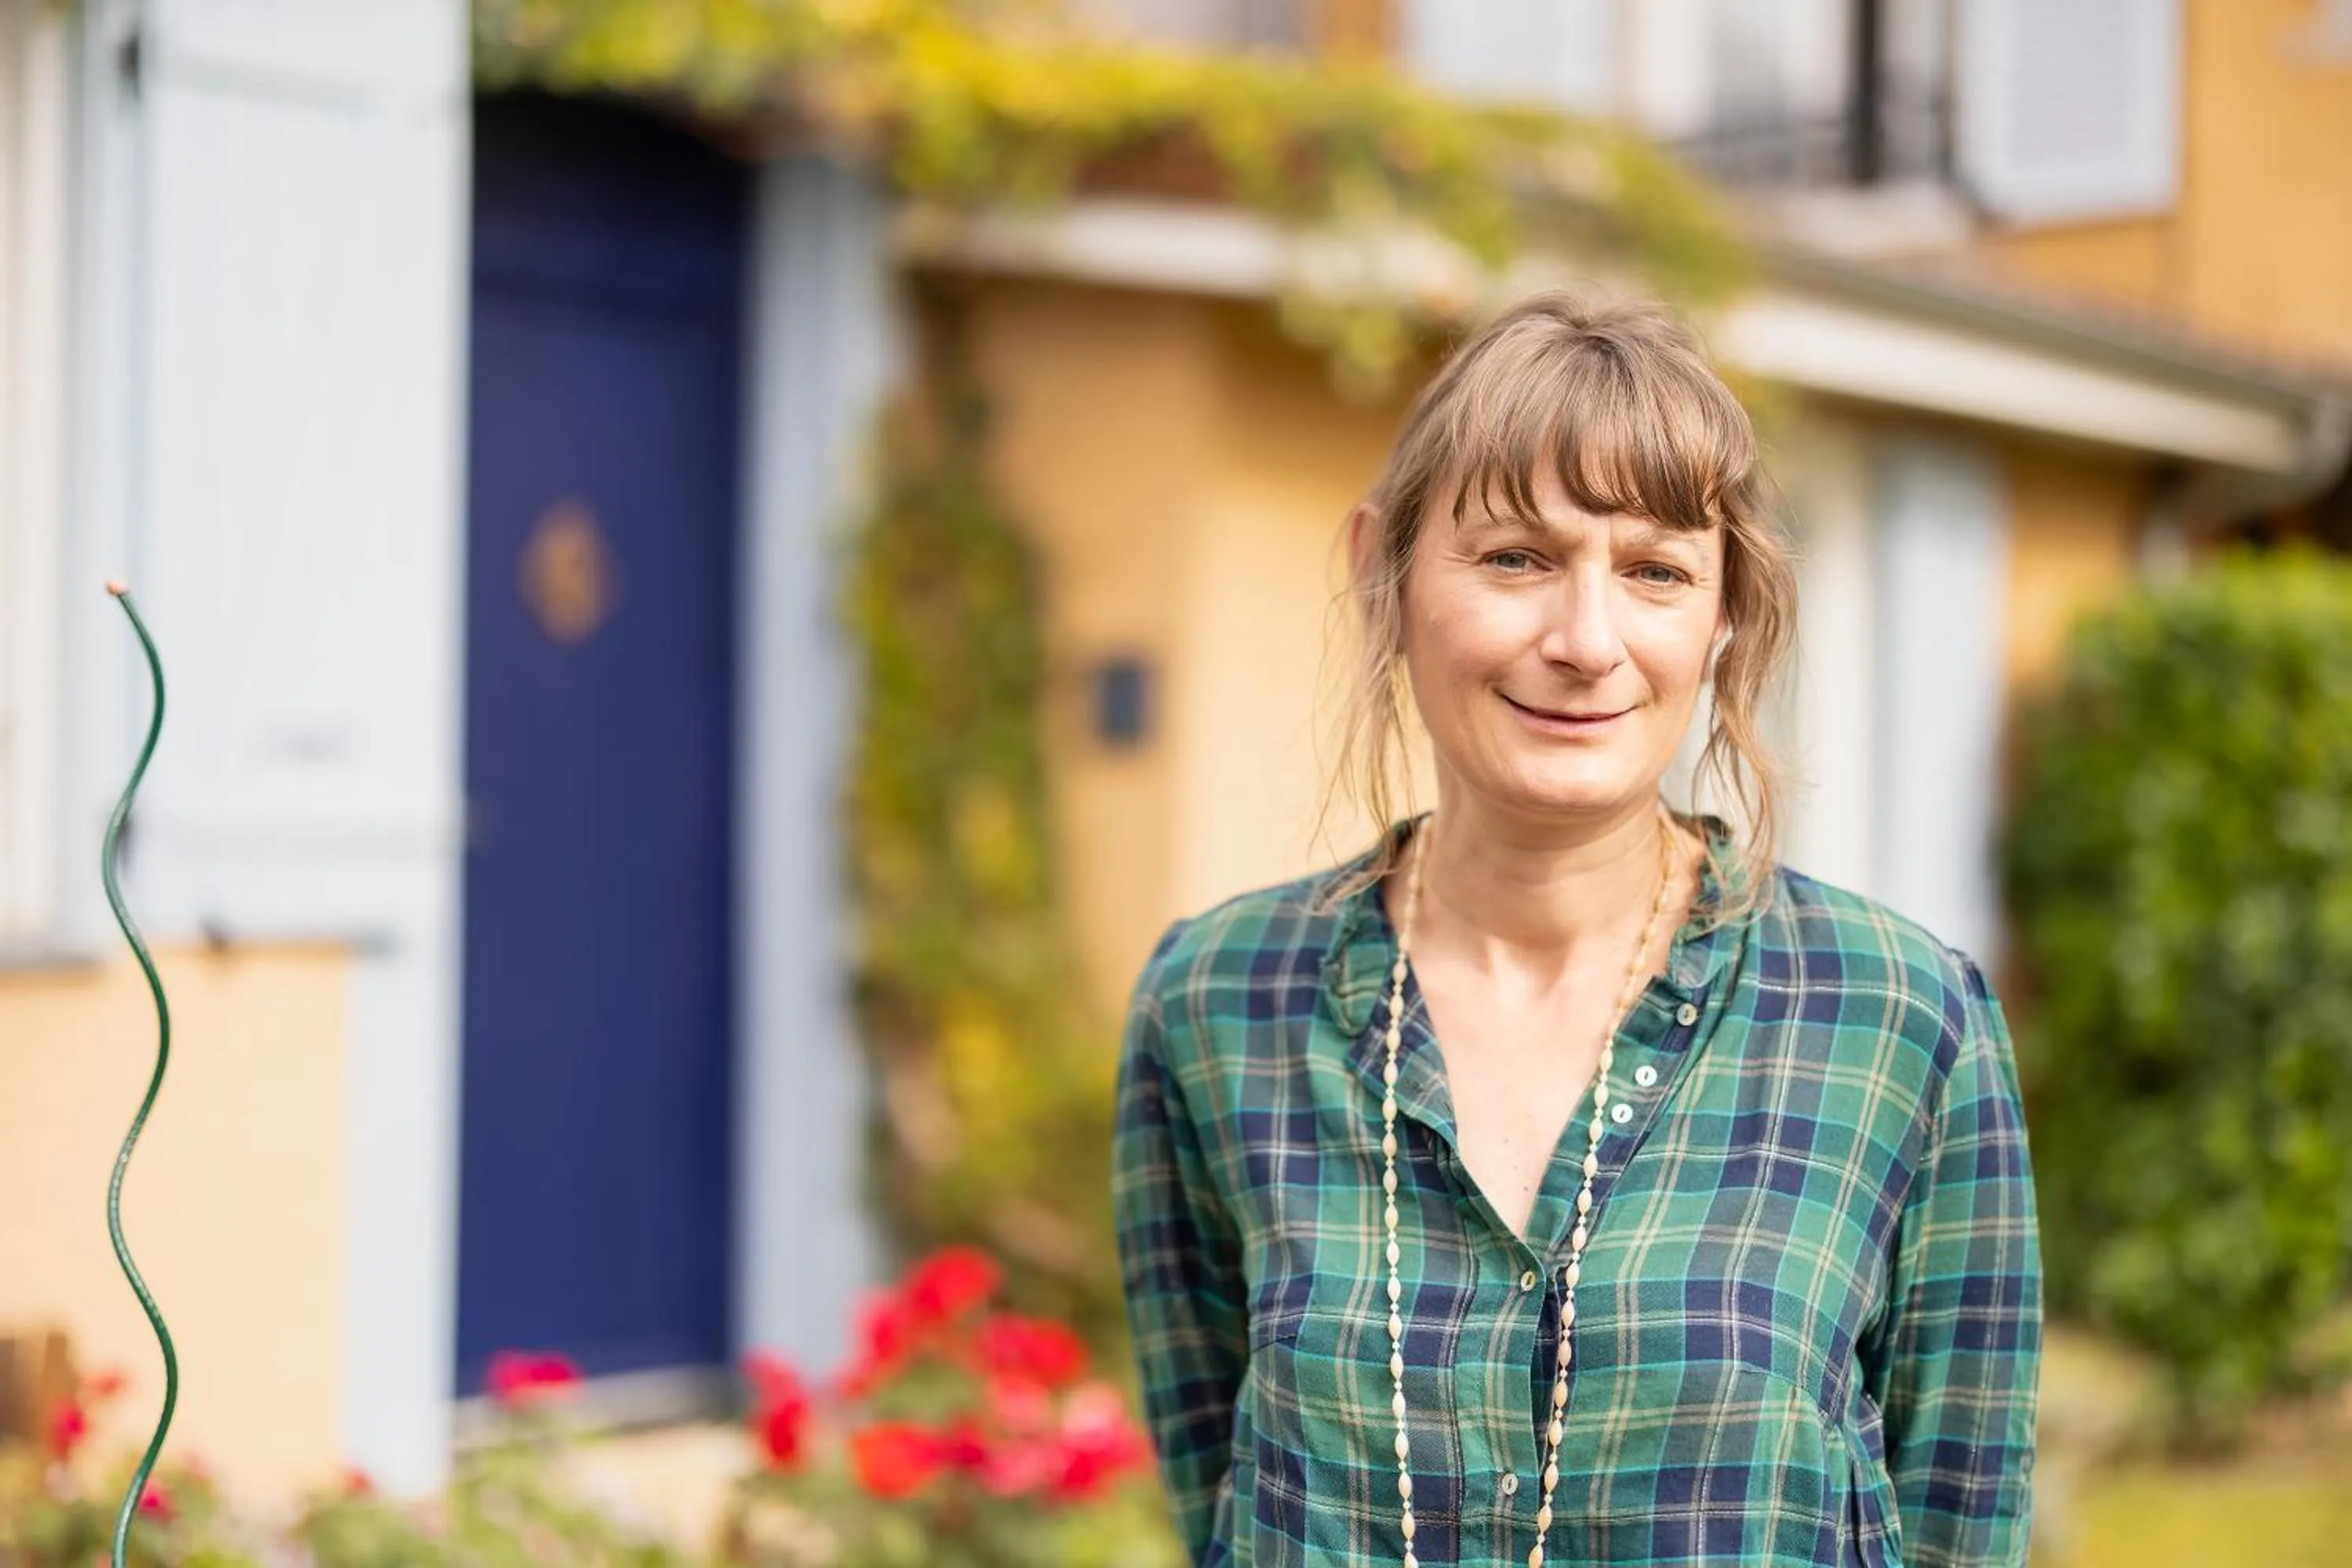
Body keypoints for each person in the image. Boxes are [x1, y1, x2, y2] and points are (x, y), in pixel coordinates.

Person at [1110, 289, 2041, 1568]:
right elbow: (1218, 1486)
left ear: (1720, 622)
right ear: (1381, 568)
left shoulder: (1901, 1020)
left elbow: (1959, 1521)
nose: (1586, 640)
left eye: (1655, 572)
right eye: (1516, 558)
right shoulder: (1216, 1005)